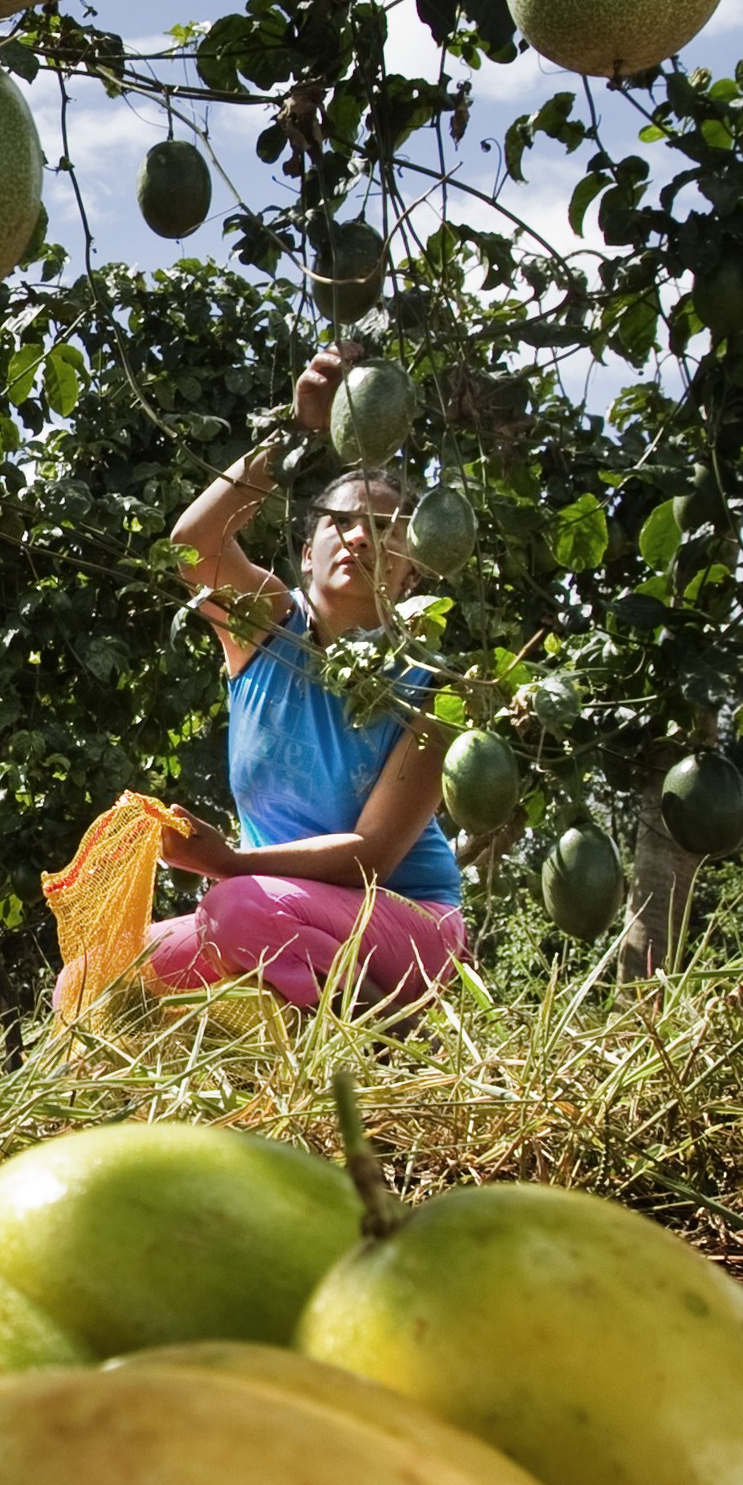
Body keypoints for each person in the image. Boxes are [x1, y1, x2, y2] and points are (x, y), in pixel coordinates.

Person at [145, 351, 466, 1011]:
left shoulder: (434, 686)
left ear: (412, 574)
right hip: (277, 912)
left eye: (384, 529)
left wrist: (230, 861)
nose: (358, 537)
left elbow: (371, 857)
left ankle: (392, 1042)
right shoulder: (265, 628)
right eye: (339, 522)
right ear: (305, 552)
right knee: (96, 977)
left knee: (234, 907)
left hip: (410, 929)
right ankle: (306, 1010)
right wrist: (297, 430)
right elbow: (192, 545)